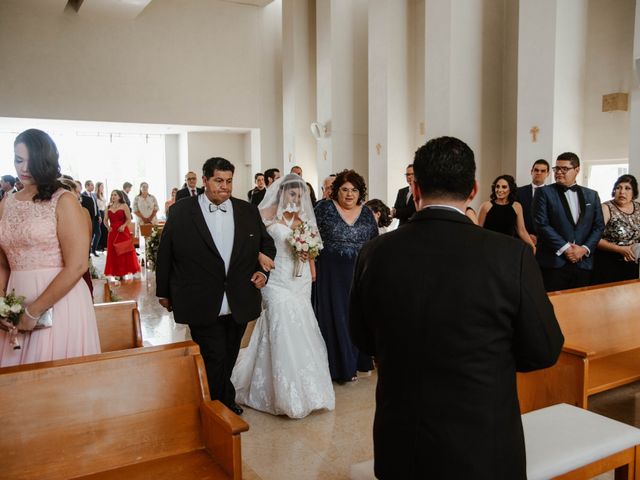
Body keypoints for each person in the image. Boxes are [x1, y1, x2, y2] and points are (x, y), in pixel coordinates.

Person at [349, 136, 564, 480]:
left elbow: (361, 336)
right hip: (481, 441)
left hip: (403, 437)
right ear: (474, 189)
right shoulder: (511, 256)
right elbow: (544, 350)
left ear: (415, 189)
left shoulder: (375, 252)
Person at [156, 157, 276, 416]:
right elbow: (166, 253)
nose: (225, 187)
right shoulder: (181, 211)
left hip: (239, 296)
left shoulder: (246, 210)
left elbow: (266, 245)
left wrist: (261, 271)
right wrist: (163, 291)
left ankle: (219, 398)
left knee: (231, 352)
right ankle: (217, 406)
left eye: (229, 181)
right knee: (213, 354)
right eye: (218, 181)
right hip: (200, 296)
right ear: (205, 180)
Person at [232, 174, 335, 418]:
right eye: (292, 194)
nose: (296, 199)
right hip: (275, 279)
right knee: (279, 323)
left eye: (300, 196)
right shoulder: (264, 214)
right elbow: (249, 242)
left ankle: (307, 388)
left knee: (301, 326)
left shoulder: (304, 220)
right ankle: (280, 391)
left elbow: (312, 250)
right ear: (281, 193)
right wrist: (259, 257)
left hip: (298, 281)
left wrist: (311, 266)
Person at [0, 129, 101, 366]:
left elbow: (77, 265)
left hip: (60, 303)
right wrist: (2, 304)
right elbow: (3, 263)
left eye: (30, 161)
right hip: (16, 300)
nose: (23, 168)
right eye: (18, 160)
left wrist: (34, 311)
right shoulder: (7, 203)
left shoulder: (63, 200)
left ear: (45, 160)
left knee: (54, 384)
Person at [314, 169, 378, 383]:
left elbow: (374, 242)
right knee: (335, 317)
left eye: (354, 190)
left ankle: (358, 361)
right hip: (330, 273)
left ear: (360, 192)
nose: (350, 194)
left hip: (359, 272)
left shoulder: (367, 213)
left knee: (357, 316)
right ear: (336, 191)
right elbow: (310, 235)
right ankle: (339, 367)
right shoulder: (324, 208)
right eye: (345, 189)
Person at [533, 152, 605, 291]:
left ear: (577, 170)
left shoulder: (592, 195)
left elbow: (598, 226)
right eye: (557, 169)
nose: (559, 172)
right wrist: (566, 248)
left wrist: (584, 249)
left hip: (583, 263)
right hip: (554, 262)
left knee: (580, 307)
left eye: (564, 169)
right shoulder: (544, 193)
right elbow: (541, 224)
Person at [592, 174, 640, 284]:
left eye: (627, 188)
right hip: (608, 263)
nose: (622, 192)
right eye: (618, 188)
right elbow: (595, 238)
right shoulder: (606, 207)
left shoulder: (638, 207)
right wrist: (620, 249)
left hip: (631, 263)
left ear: (634, 192)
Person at [478, 175, 535, 251]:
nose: (499, 190)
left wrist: (532, 246)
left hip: (508, 248)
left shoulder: (517, 206)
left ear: (510, 189)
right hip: (489, 247)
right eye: (497, 186)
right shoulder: (485, 206)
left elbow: (522, 231)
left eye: (504, 187)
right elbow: (478, 230)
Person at [104, 189, 140, 281]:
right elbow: (105, 220)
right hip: (112, 232)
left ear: (119, 196)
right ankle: (116, 272)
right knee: (113, 252)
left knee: (125, 251)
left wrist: (123, 226)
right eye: (112, 195)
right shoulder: (108, 207)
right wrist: (108, 227)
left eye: (115, 195)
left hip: (122, 231)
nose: (113, 196)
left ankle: (125, 271)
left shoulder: (124, 206)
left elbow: (129, 219)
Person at [516, 159, 550, 244]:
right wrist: (526, 236)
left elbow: (554, 220)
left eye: (543, 171)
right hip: (522, 239)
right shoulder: (519, 192)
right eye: (536, 170)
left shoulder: (552, 194)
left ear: (548, 174)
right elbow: (514, 217)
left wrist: (539, 237)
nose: (539, 173)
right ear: (531, 172)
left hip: (545, 241)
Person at [81, 180, 101, 257]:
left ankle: (93, 250)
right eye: (91, 185)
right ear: (86, 186)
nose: (93, 186)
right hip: (89, 218)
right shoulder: (83, 195)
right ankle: (88, 252)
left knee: (98, 233)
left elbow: (97, 206)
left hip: (96, 217)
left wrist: (99, 215)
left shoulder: (94, 195)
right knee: (90, 235)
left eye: (93, 185)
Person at [95, 181, 108, 251]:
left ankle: (105, 245)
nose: (103, 188)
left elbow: (105, 206)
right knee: (100, 230)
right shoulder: (95, 196)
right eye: (101, 186)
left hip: (104, 212)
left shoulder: (102, 196)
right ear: (98, 187)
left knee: (105, 229)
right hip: (98, 213)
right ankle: (99, 246)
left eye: (103, 186)